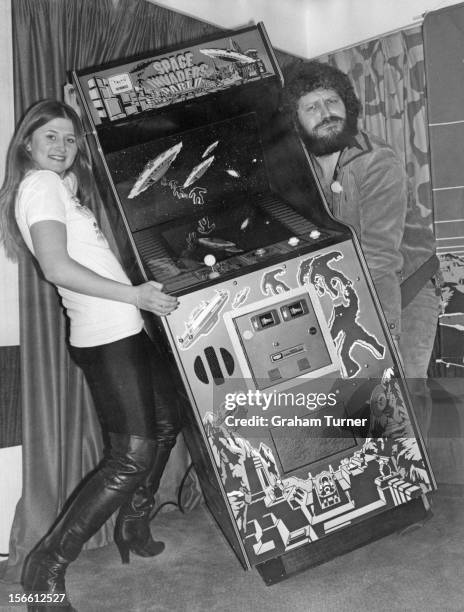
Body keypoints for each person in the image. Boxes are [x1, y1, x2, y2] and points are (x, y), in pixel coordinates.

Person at [0, 99, 182, 611]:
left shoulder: (60, 189)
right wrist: (136, 296)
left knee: (167, 423)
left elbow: (77, 213)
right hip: (107, 335)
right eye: (49, 137)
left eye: (69, 138)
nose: (61, 146)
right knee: (132, 455)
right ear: (27, 145)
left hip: (125, 327)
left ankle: (133, 519)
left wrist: (79, 112)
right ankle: (46, 565)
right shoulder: (39, 186)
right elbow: (56, 267)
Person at [284, 61, 441, 440]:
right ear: (296, 120)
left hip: (405, 285)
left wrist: (383, 336)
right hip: (350, 287)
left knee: (401, 385)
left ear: (348, 106)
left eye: (332, 101)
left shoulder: (376, 161)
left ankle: (414, 485)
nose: (326, 113)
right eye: (312, 106)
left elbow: (380, 259)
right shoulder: (298, 168)